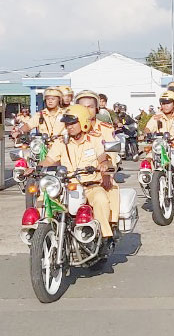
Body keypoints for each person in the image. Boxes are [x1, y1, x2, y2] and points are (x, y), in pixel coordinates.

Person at [35, 104, 118, 247]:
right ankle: (40, 234)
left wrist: (104, 166)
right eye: (67, 123)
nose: (69, 126)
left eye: (73, 122)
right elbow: (49, 160)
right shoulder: (61, 141)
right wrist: (35, 168)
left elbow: (103, 158)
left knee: (101, 199)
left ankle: (105, 237)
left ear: (84, 122)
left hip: (91, 186)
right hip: (67, 186)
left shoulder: (95, 139)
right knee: (42, 198)